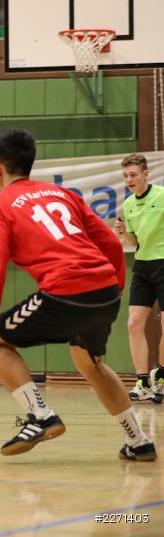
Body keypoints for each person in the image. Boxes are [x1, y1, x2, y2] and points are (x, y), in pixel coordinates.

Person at [0, 129, 156, 461]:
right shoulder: (60, 193)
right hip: (105, 291)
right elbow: (112, 244)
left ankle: (40, 415)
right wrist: (115, 289)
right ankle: (139, 440)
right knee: (90, 362)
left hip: (66, 291)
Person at [114, 153, 164, 404]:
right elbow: (135, 243)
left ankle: (162, 378)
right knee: (134, 323)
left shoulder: (162, 196)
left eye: (133, 174)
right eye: (125, 176)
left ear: (146, 174)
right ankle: (143, 381)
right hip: (143, 265)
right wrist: (124, 233)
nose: (129, 179)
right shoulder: (129, 204)